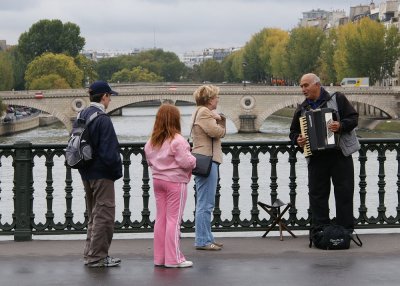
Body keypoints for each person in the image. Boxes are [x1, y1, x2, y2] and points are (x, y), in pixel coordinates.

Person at [289, 73, 359, 231]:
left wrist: (340, 126)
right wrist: (298, 140)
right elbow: (293, 132)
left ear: (317, 85)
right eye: (301, 86)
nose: (303, 89)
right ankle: (321, 230)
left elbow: (353, 118)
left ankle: (345, 230)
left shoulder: (337, 98)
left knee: (344, 193)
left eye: (306, 85)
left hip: (340, 154)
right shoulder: (302, 108)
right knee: (317, 195)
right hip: (316, 157)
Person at [144, 104, 196, 268]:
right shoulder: (178, 140)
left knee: (161, 219)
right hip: (175, 182)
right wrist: (194, 158)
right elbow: (186, 163)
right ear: (175, 120)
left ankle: (160, 258)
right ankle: (174, 259)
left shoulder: (151, 142)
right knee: (174, 220)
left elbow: (149, 161)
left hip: (158, 181)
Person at [78, 81, 122, 267]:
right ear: (104, 96)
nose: (110, 99)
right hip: (102, 174)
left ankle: (90, 253)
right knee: (104, 215)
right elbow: (109, 152)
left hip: (86, 171)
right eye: (109, 96)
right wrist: (115, 172)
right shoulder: (102, 118)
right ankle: (97, 257)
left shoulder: (83, 114)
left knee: (94, 215)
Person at [191, 85, 226, 250]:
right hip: (207, 160)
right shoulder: (205, 112)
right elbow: (216, 132)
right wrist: (222, 121)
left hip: (205, 159)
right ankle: (202, 240)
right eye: (216, 97)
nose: (218, 99)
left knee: (205, 202)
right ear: (209, 99)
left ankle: (207, 237)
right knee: (205, 203)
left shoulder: (200, 111)